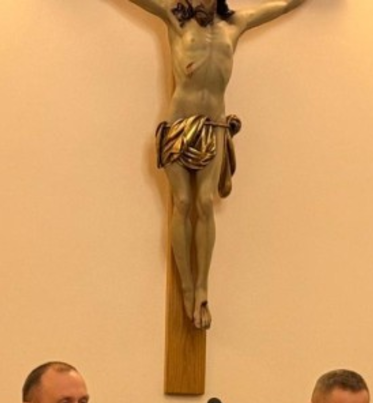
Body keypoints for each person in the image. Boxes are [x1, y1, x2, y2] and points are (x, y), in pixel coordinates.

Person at [122, 0, 315, 330]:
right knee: (183, 202)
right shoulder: (175, 19)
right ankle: (186, 287)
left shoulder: (235, 25)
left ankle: (202, 288)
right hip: (179, 125)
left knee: (204, 203)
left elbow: (283, 6)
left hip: (214, 126)